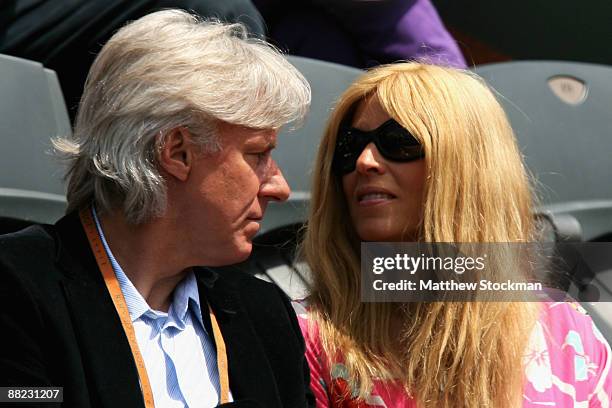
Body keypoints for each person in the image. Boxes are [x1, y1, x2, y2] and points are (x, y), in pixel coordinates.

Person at [0, 10, 313, 408]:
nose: (279, 187)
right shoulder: (15, 287)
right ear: (177, 152)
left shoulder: (265, 314)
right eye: (258, 155)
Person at [296, 63, 612, 407]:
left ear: (466, 166)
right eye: (349, 146)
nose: (365, 161)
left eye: (399, 141)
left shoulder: (564, 331)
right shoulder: (308, 337)